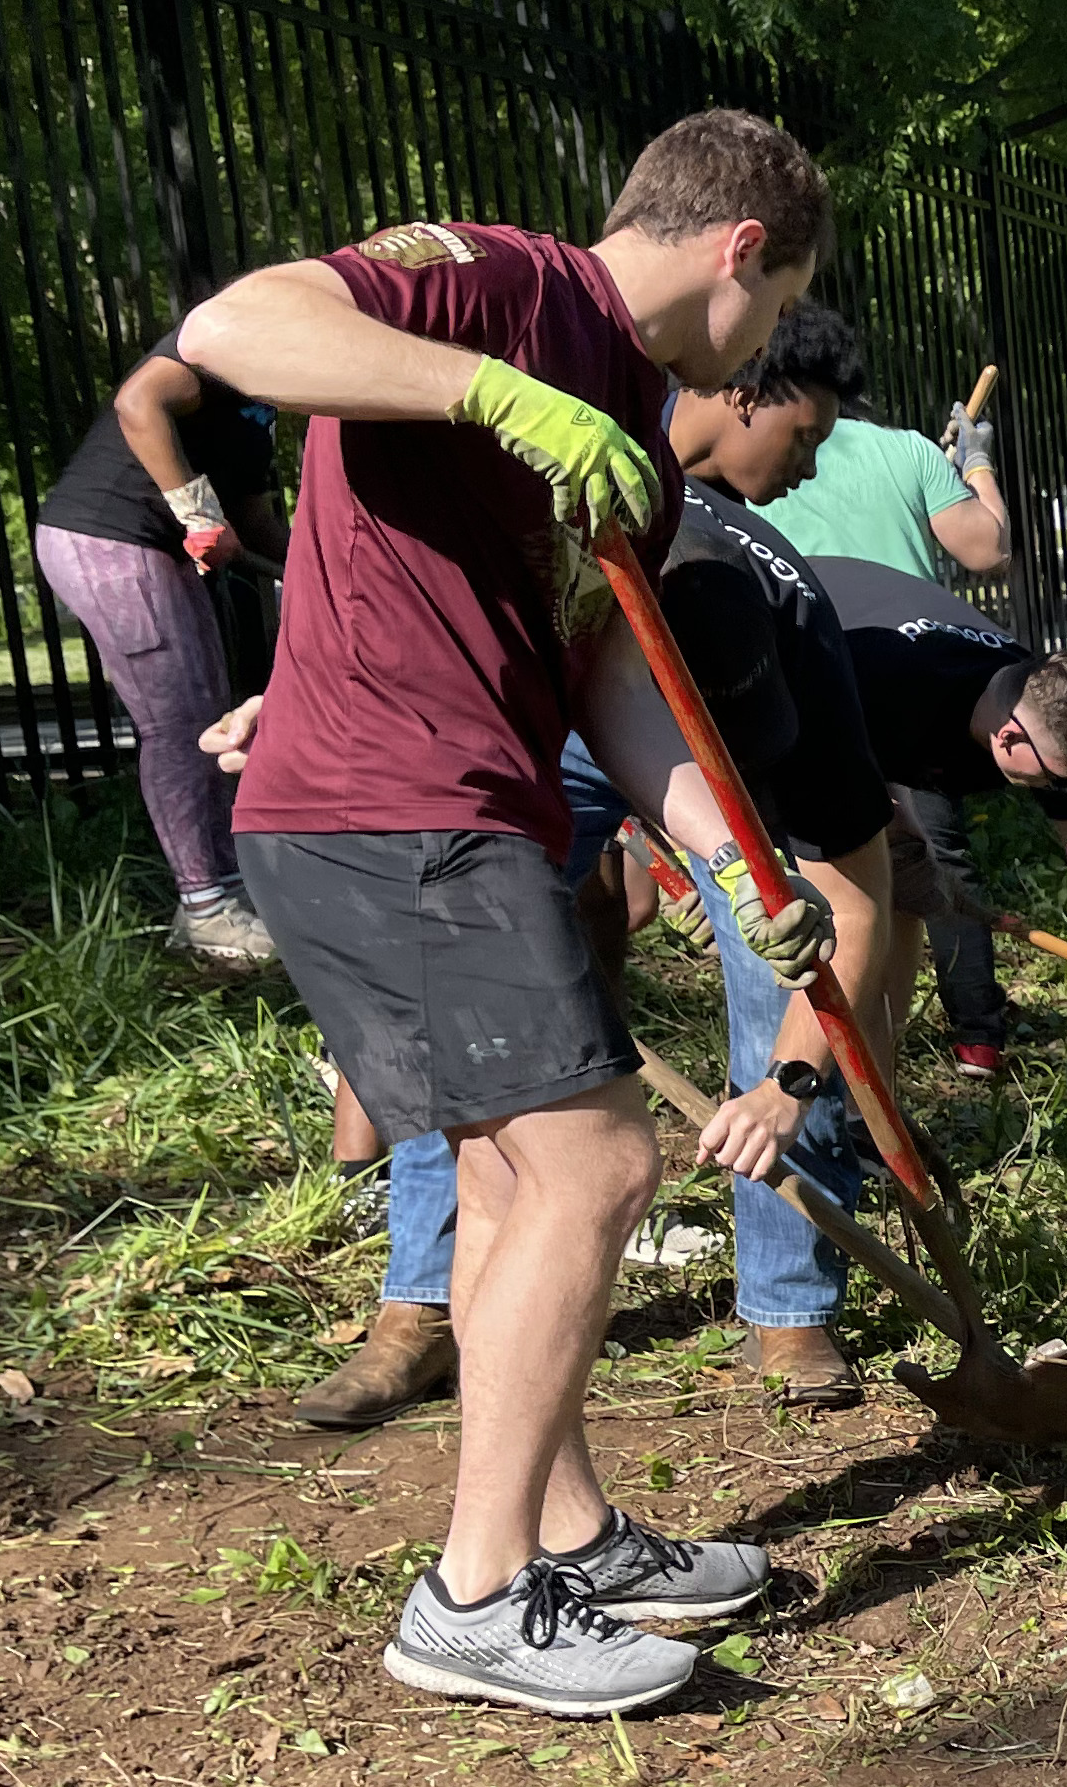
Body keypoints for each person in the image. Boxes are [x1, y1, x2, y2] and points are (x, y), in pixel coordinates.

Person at [178, 110, 843, 1722]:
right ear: (739, 253)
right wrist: (494, 388)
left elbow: (612, 680)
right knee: (601, 1161)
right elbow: (232, 329)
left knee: (508, 1179)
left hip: (459, 809)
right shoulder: (497, 287)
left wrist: (735, 866)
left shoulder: (634, 437)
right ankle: (474, 1597)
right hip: (386, 806)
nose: (760, 349)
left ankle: (573, 1532)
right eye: (778, 305)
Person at [308, 299, 900, 1423]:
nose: (809, 466)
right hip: (547, 723)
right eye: (806, 436)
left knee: (785, 967)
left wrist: (788, 1083)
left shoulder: (795, 636)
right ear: (742, 391)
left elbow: (853, 905)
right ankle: (421, 1307)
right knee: (474, 983)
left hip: (725, 771)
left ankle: (789, 1307)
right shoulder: (561, 473)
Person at [819, 556, 1067, 1045]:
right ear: (1010, 739)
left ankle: (874, 1099)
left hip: (858, 713)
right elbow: (795, 768)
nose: (1061, 790)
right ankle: (813, 1102)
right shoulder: (896, 684)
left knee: (903, 892)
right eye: (1057, 779)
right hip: (771, 659)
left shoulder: (1043, 707)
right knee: (847, 914)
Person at [759, 354, 1026, 1072]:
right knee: (932, 872)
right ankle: (975, 1034)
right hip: (912, 690)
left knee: (826, 893)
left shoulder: (753, 442)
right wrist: (974, 466)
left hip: (799, 691)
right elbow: (987, 547)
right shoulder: (906, 450)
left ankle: (851, 1067)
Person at [31, 340, 291, 962]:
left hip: (155, 549)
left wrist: (335, 572)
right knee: (179, 722)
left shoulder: (265, 397)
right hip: (109, 541)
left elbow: (254, 519)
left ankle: (221, 897)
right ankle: (208, 910)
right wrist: (199, 516)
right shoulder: (226, 340)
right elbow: (138, 399)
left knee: (208, 717)